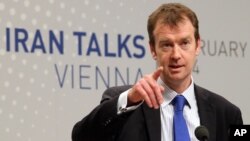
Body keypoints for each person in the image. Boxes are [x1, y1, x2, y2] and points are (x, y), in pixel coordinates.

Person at [72, 3, 243, 141]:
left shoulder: (228, 113)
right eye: (166, 45)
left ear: (198, 45)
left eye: (184, 43)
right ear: (153, 49)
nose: (176, 55)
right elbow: (80, 136)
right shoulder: (127, 102)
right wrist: (129, 99)